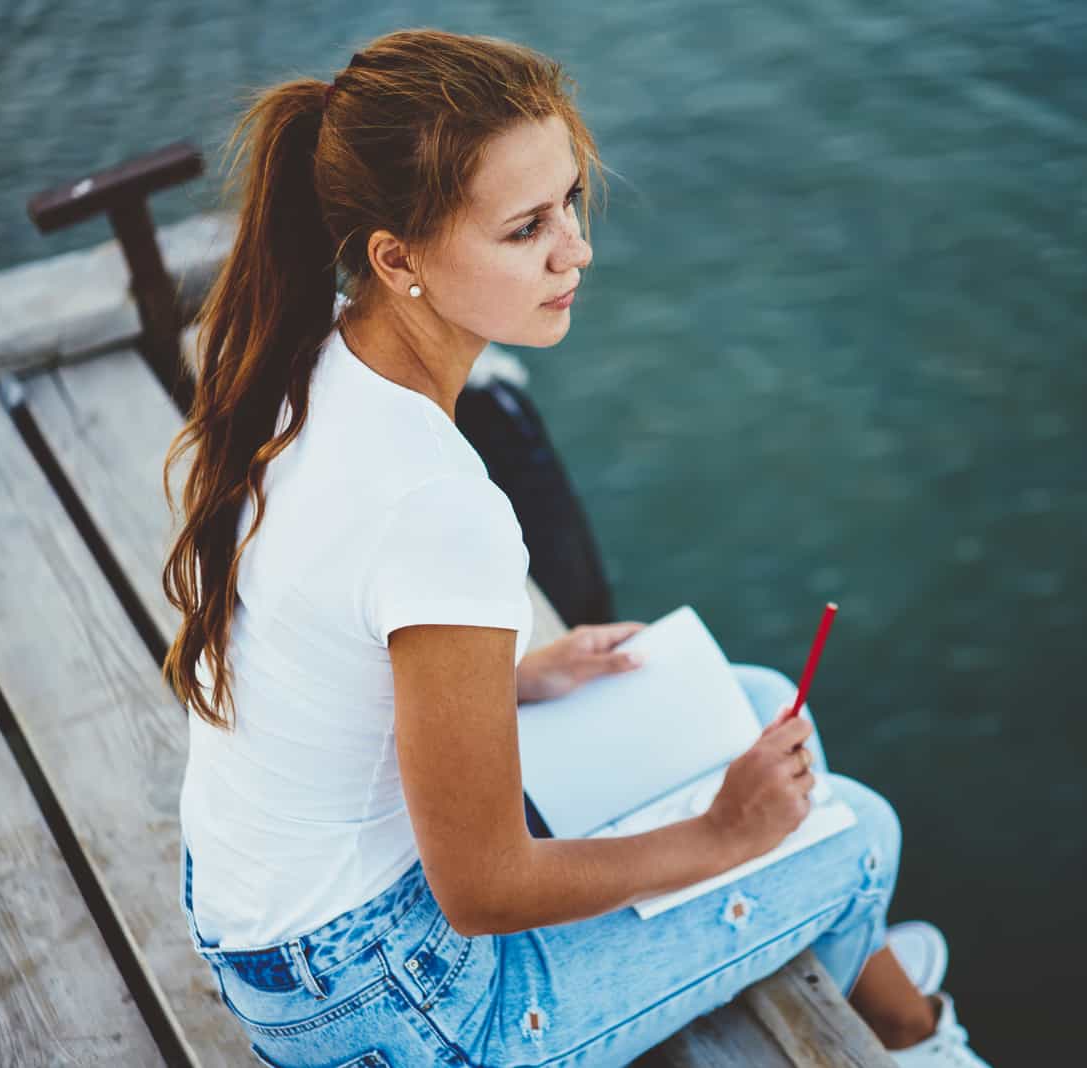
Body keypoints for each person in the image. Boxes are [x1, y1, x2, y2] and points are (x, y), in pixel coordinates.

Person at [161, 28, 991, 1068]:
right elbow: (481, 890)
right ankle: (913, 1033)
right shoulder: (441, 504)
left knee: (751, 698)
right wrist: (720, 839)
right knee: (858, 834)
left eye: (570, 204)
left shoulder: (308, 357)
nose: (575, 250)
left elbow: (328, 633)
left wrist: (504, 679)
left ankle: (832, 946)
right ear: (395, 258)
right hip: (390, 1006)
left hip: (268, 928)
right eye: (524, 229)